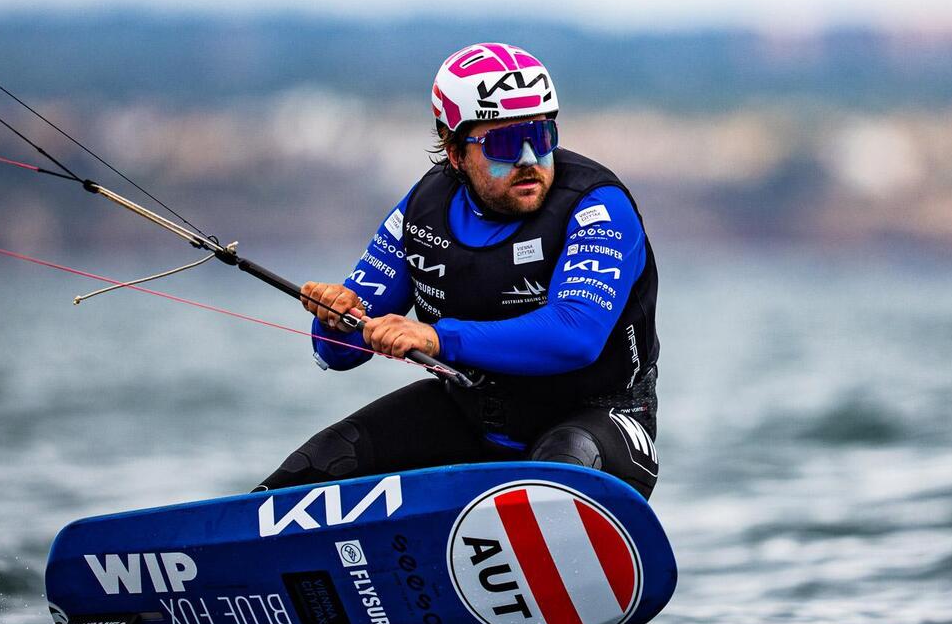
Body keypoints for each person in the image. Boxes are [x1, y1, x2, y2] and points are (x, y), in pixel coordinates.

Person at [256, 42, 661, 498]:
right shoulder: (423, 211)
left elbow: (576, 336)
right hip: (473, 417)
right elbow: (338, 354)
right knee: (322, 463)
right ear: (454, 152)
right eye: (506, 143)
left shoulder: (598, 206)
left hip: (598, 421)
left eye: (542, 136)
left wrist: (436, 337)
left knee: (560, 464)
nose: (529, 159)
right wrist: (334, 316)